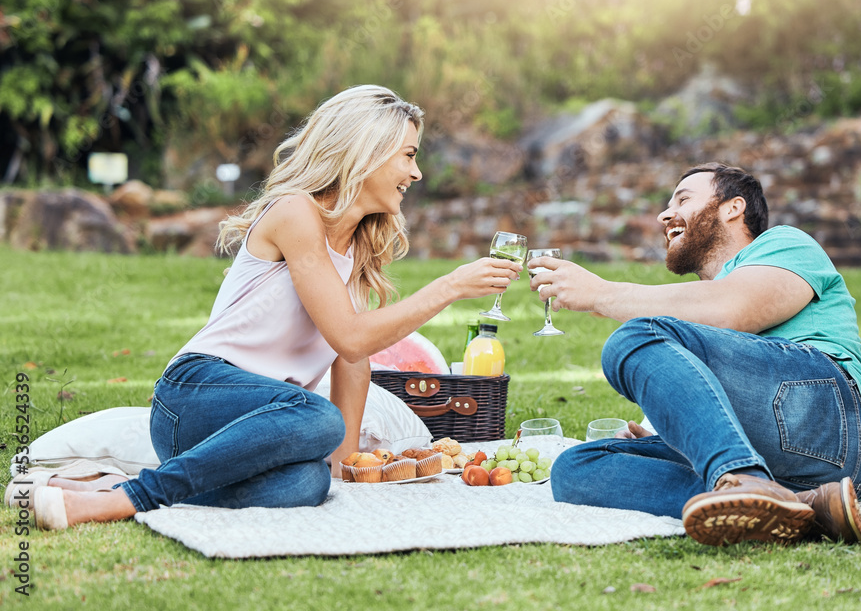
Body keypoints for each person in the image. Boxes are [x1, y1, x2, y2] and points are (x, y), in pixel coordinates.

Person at [29, 85, 522, 530]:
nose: (416, 172)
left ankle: (104, 492)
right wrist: (450, 287)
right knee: (318, 420)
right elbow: (350, 335)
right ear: (366, 152)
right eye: (408, 155)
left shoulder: (357, 245)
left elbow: (351, 358)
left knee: (307, 484)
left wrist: (346, 463)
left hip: (261, 422)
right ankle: (125, 499)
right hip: (197, 395)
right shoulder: (295, 212)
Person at [530, 162, 861, 546]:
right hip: (782, 456)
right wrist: (690, 434)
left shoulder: (786, 244)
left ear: (732, 207)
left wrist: (602, 294)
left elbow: (733, 309)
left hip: (829, 424)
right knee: (576, 469)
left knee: (633, 337)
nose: (664, 213)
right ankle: (794, 505)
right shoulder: (695, 311)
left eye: (683, 198)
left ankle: (748, 481)